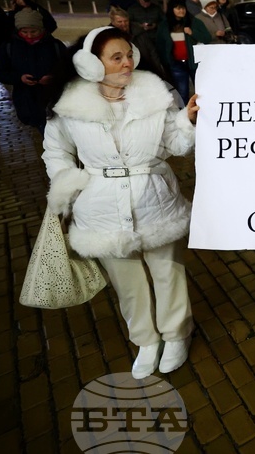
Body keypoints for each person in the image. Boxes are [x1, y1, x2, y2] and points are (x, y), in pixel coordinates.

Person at [42, 26, 199, 379]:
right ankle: (145, 339)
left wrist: (185, 120)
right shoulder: (70, 104)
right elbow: (56, 150)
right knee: (127, 282)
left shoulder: (154, 93)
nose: (127, 62)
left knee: (167, 271)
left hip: (155, 198)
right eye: (117, 57)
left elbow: (175, 143)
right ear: (92, 64)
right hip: (100, 206)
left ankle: (176, 334)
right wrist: (71, 185)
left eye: (129, 54)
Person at [0, 9, 69, 134]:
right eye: (24, 31)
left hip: (54, 101)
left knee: (53, 135)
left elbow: (68, 69)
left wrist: (53, 78)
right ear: (18, 30)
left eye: (33, 31)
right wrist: (19, 78)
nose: (29, 35)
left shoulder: (55, 45)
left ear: (41, 29)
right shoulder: (9, 47)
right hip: (26, 102)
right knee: (42, 130)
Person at [156, 0, 212, 104]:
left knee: (201, 91)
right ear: (171, 10)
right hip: (176, 63)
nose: (182, 11)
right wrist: (166, 61)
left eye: (183, 8)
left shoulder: (194, 22)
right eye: (178, 8)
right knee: (182, 92)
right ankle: (185, 115)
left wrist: (192, 32)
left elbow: (207, 38)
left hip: (194, 62)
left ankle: (204, 112)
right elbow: (160, 44)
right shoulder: (165, 25)